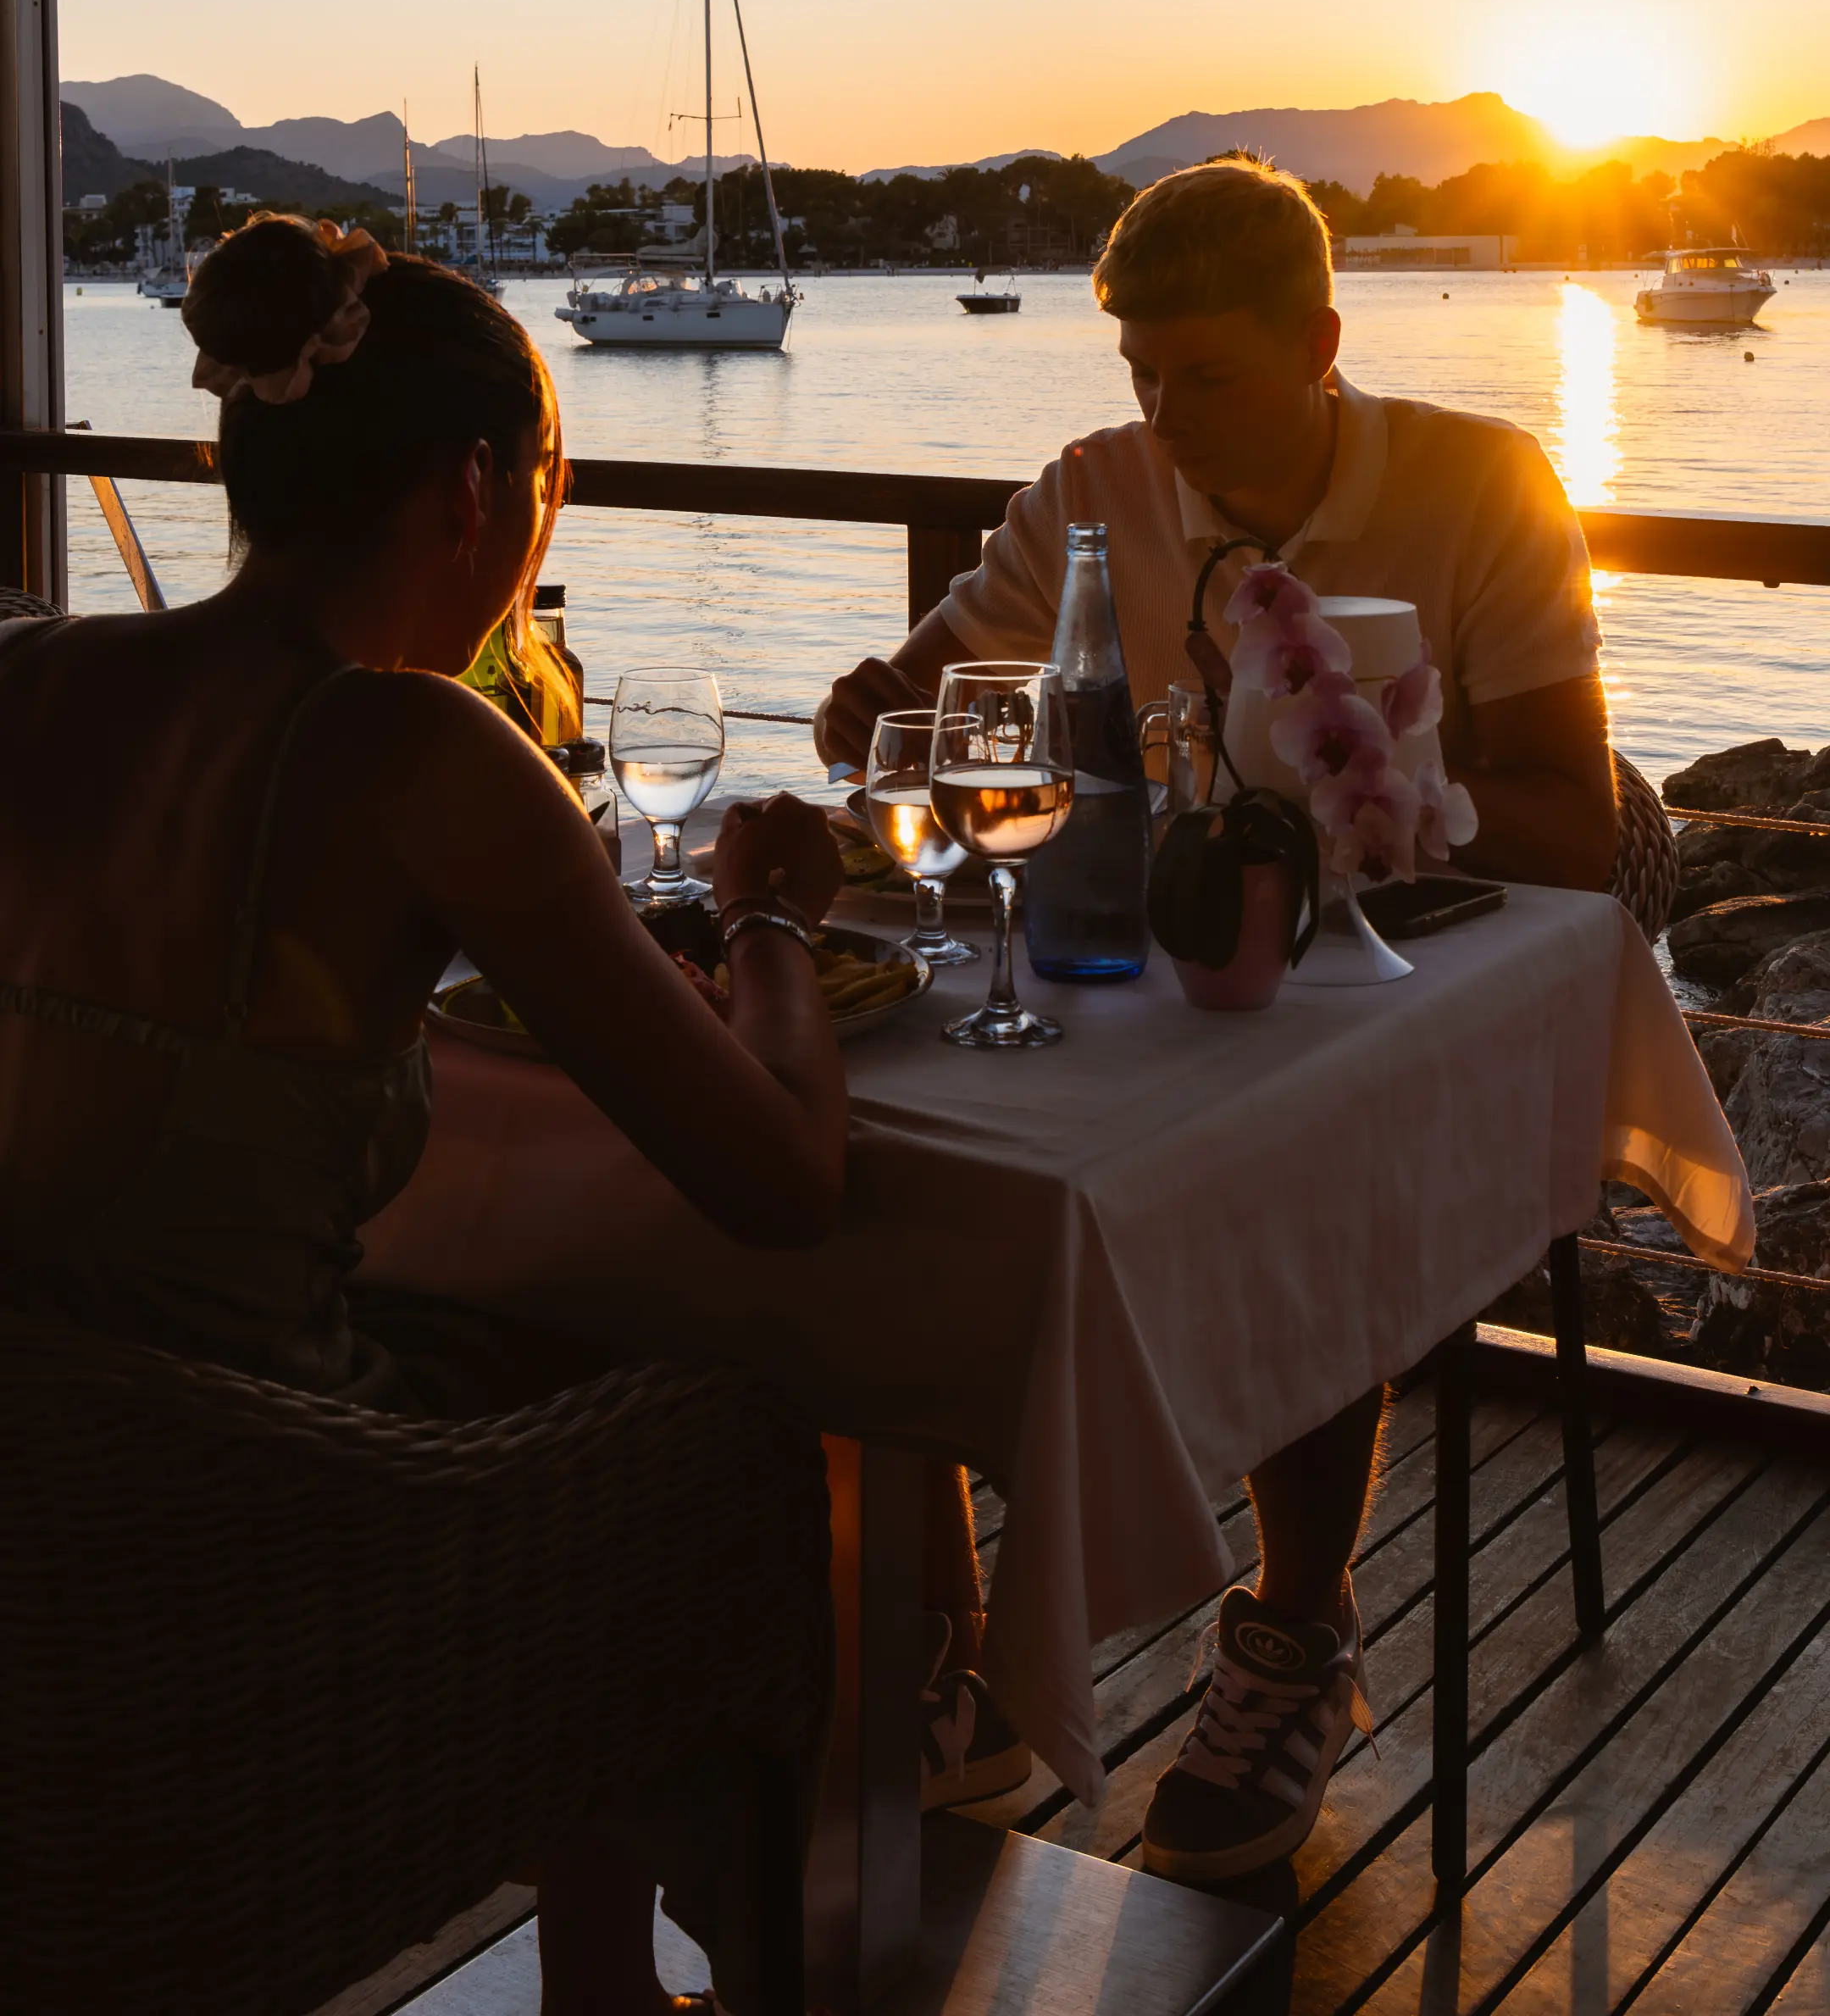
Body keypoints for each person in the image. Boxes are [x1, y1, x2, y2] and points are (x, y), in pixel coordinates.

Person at [0, 214, 850, 2016]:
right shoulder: (412, 750)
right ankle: (700, 1960)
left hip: (48, 1503)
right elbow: (781, 1177)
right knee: (733, 1441)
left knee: (533, 1325)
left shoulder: (34, 677)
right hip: (238, 1544)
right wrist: (773, 908)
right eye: (552, 476)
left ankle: (603, 1976)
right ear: (475, 491)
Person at [818, 153, 1617, 1885]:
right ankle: (963, 1647)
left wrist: (1370, 779)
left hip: (1392, 983)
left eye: (1208, 376)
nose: (1167, 420)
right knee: (888, 1144)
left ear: (1322, 340)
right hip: (1138, 962)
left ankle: (1298, 1625)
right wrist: (880, 710)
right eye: (1142, 377)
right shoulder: (1101, 487)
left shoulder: (1484, 485)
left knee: (1291, 1160)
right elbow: (916, 697)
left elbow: (1572, 811)